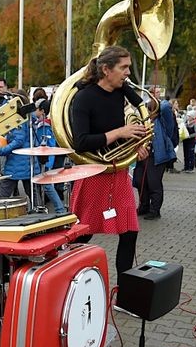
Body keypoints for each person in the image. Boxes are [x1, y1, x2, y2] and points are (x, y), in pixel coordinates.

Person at [67, 45, 148, 272]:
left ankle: (124, 294)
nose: (128, 73)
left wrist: (136, 146)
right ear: (105, 69)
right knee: (83, 233)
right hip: (92, 174)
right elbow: (80, 142)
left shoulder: (121, 92)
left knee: (130, 232)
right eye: (123, 68)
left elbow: (122, 133)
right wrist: (120, 132)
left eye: (129, 68)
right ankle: (61, 273)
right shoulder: (83, 97)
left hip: (117, 171)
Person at [133, 85, 176, 219]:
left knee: (154, 183)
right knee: (140, 181)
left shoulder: (163, 118)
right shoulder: (144, 119)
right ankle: (143, 206)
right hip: (143, 154)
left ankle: (155, 210)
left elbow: (164, 107)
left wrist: (154, 98)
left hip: (157, 155)